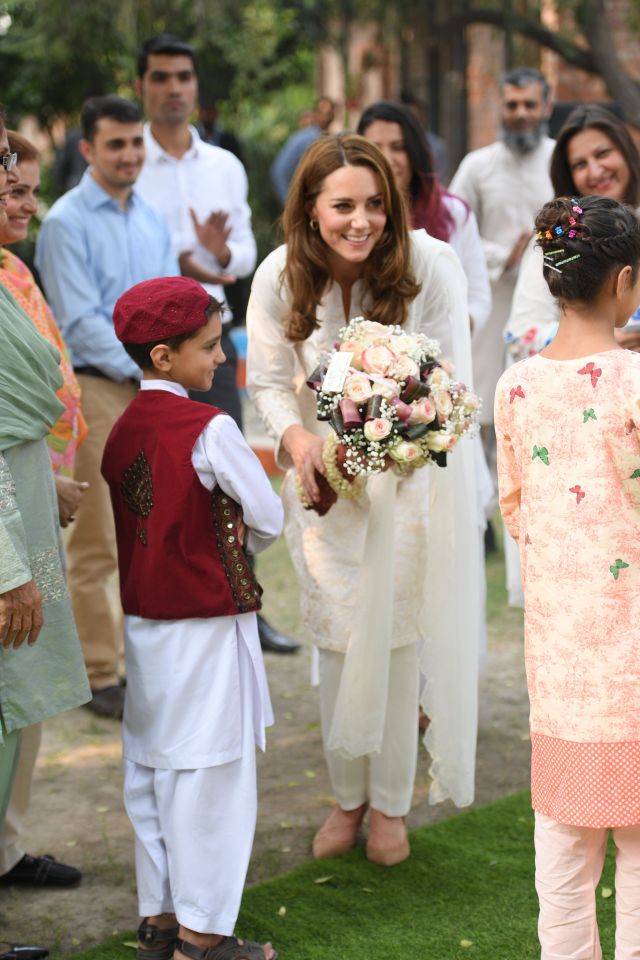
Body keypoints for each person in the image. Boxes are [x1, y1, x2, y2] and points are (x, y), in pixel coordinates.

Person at [247, 133, 481, 865]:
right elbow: (265, 380)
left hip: (410, 483)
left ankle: (390, 807)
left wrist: (397, 445)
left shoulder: (431, 265)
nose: (362, 221)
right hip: (323, 490)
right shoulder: (280, 275)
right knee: (338, 641)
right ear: (310, 210)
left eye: (376, 204)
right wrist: (298, 441)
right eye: (343, 205)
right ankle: (345, 798)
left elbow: (447, 384)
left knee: (396, 642)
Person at [101, 276, 283, 960]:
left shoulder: (122, 429)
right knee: (212, 771)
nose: (220, 357)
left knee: (151, 766)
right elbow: (267, 515)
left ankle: (162, 916)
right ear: (163, 358)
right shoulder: (210, 428)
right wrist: (230, 545)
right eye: (208, 346)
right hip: (206, 625)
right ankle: (203, 938)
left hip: (146, 628)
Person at [495, 194, 640, 959]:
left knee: (563, 856)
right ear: (623, 282)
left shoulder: (514, 389)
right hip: (633, 659)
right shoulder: (635, 383)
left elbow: (516, 511)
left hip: (560, 664)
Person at [135, 32, 298, 654]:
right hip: (147, 356)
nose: (173, 88)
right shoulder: (131, 162)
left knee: (226, 481)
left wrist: (220, 252)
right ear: (143, 86)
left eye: (183, 76)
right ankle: (165, 609)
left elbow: (248, 254)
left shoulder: (223, 166)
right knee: (159, 485)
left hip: (209, 348)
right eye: (161, 77)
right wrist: (180, 259)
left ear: (195, 87)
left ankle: (244, 605)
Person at [35, 95, 178, 719]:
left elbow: (175, 299)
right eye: (115, 144)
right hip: (96, 386)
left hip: (152, 386)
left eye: (135, 143)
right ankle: (98, 670)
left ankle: (150, 663)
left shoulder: (152, 216)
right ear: (88, 150)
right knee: (97, 536)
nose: (128, 155)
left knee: (156, 527)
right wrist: (152, 367)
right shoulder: (66, 221)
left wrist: (166, 375)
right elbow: (80, 322)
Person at [0, 110, 90, 960]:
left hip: (27, 498)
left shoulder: (8, 274)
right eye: (1, 168)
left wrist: (46, 474)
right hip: (3, 542)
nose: (15, 186)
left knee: (12, 713)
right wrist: (8, 572)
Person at [504, 104, 640, 608]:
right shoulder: (558, 246)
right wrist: (610, 342)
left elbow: (511, 503)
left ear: (626, 151)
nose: (595, 169)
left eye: (603, 153)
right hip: (582, 390)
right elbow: (521, 330)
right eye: (580, 163)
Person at [450, 67, 554, 449]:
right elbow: (454, 229)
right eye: (513, 104)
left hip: (551, 302)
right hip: (491, 299)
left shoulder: (561, 159)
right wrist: (503, 255)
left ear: (547, 106)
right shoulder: (477, 166)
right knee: (484, 404)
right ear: (500, 107)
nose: (521, 113)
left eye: (530, 104)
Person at [358, 100, 491, 333]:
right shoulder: (354, 223)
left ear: (414, 152)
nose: (387, 159)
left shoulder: (453, 213)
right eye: (375, 148)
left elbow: (478, 297)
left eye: (398, 147)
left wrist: (451, 334)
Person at [270, 96, 336, 205]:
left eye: (329, 112)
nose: (326, 116)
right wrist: (289, 203)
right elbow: (279, 170)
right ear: (315, 114)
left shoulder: (331, 139)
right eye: (322, 112)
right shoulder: (302, 139)